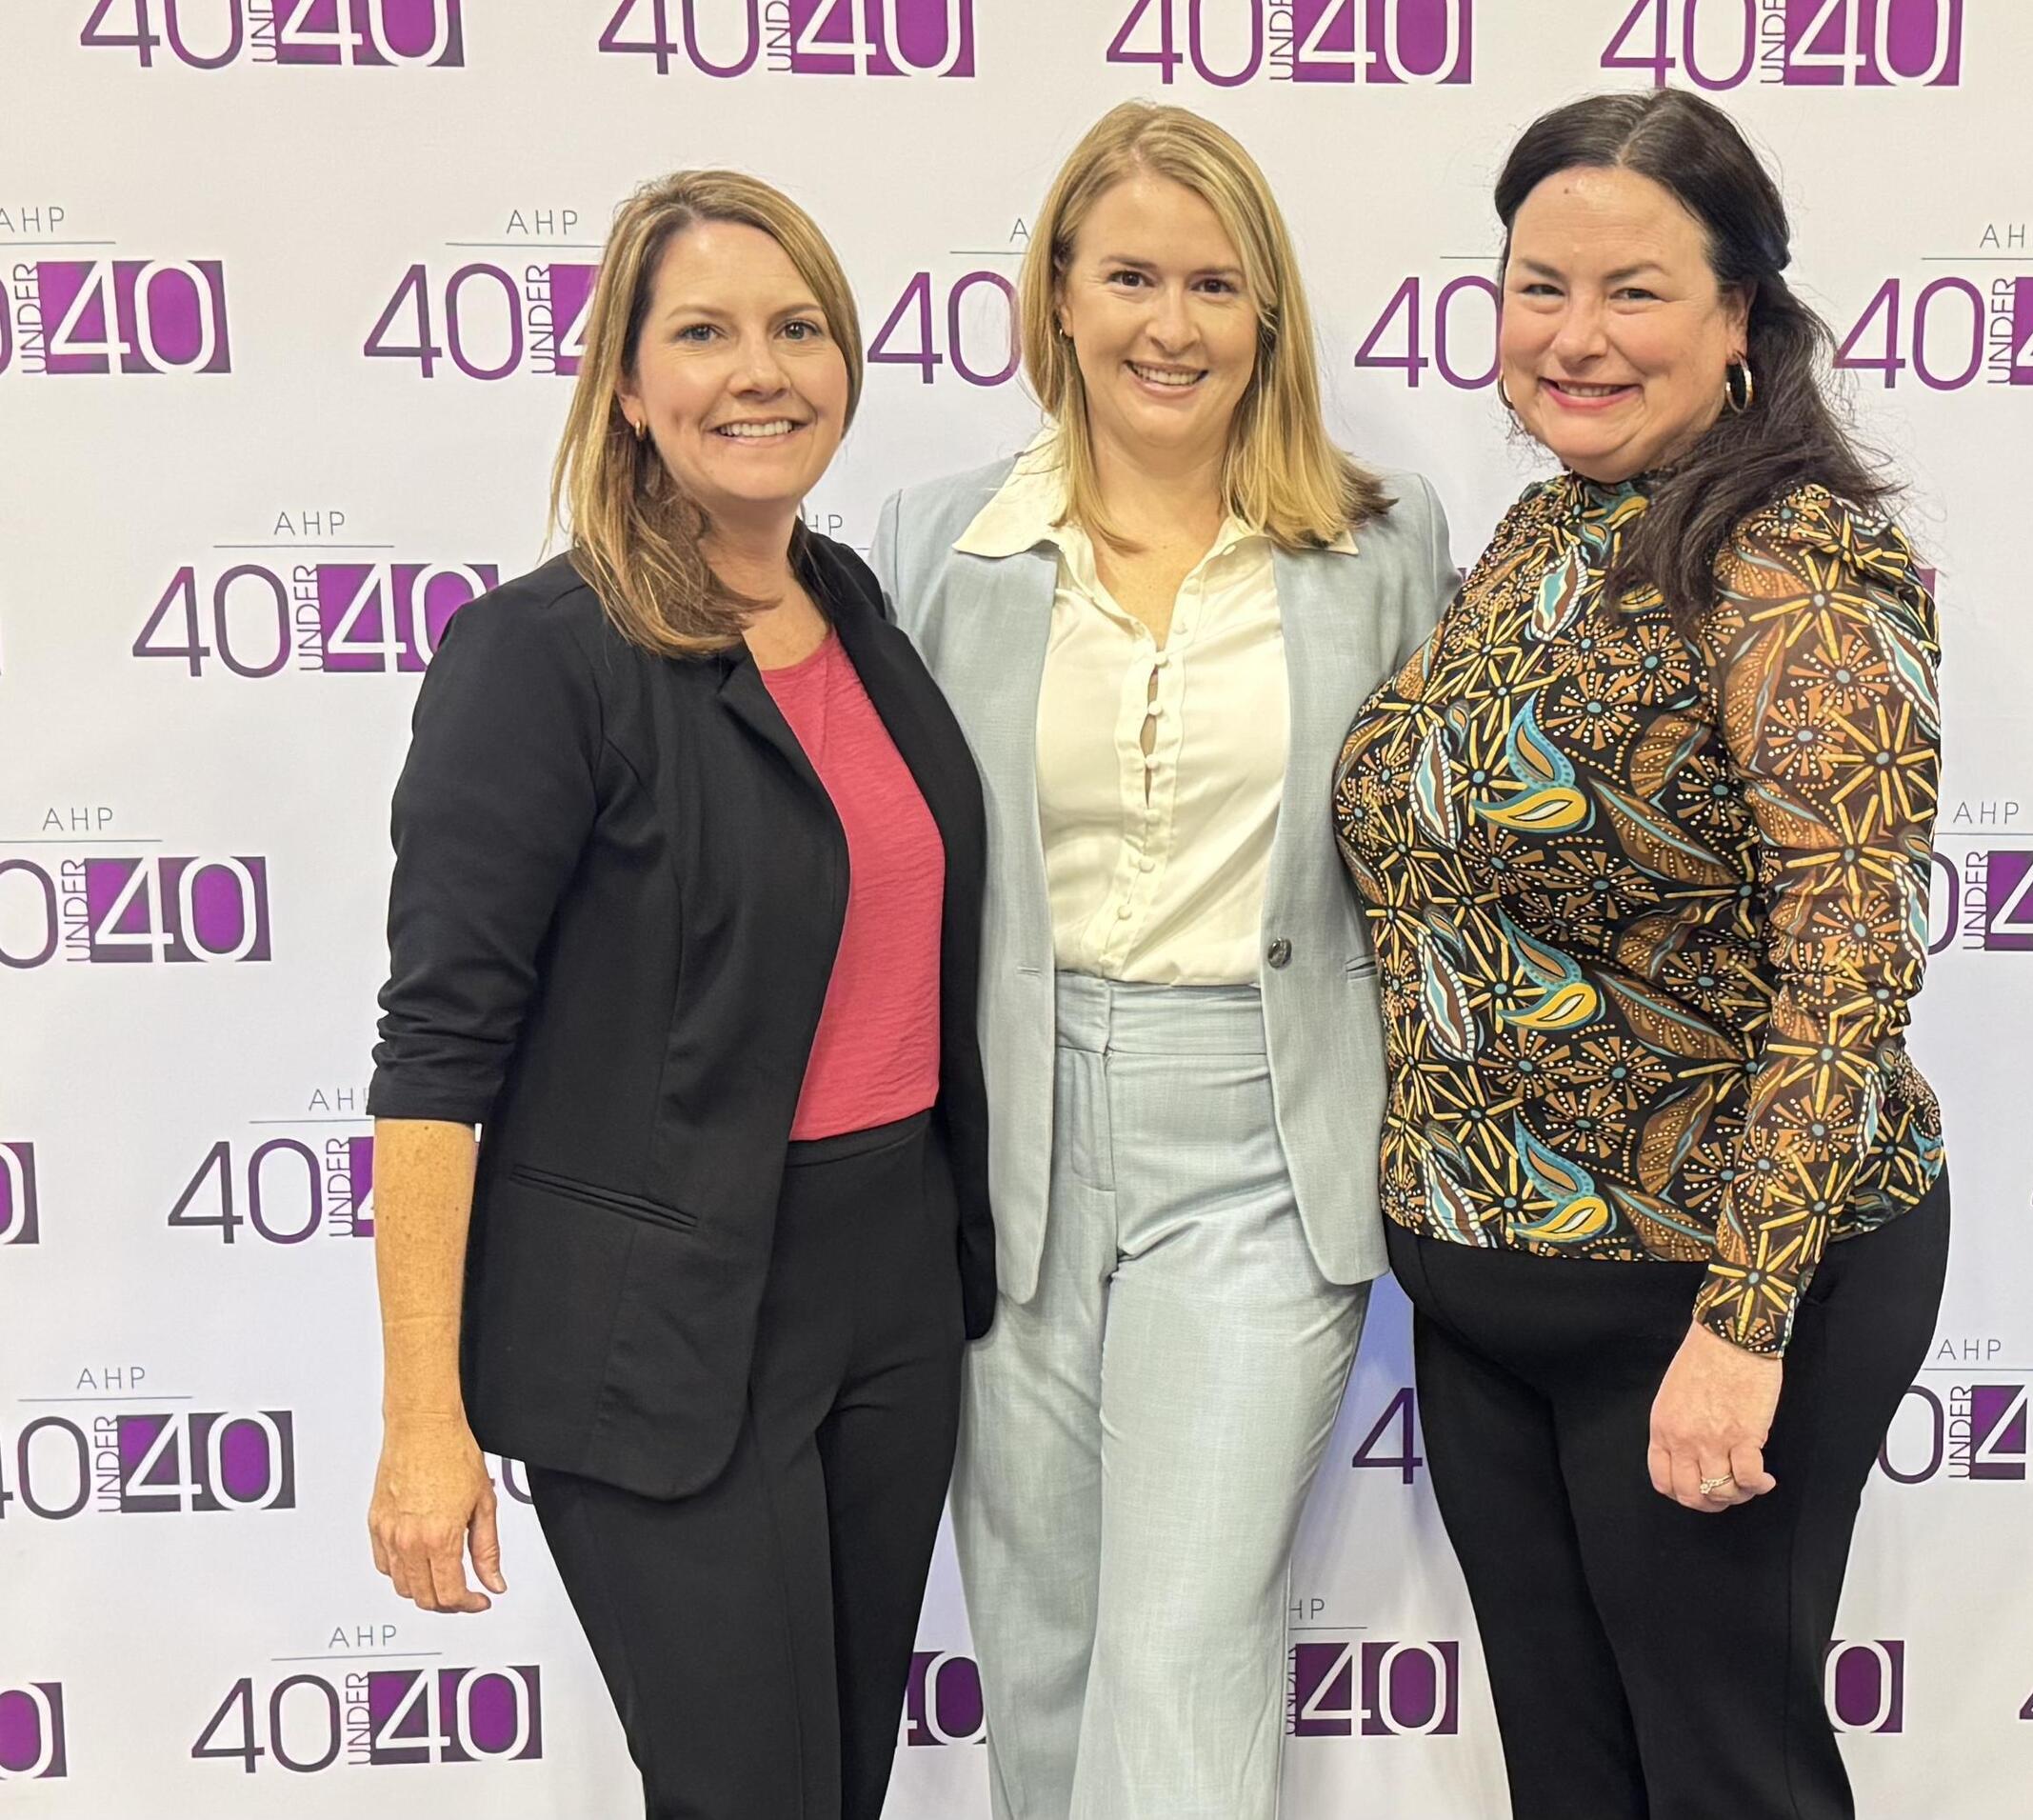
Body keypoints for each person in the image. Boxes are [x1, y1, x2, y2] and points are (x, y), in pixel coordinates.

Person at [1333, 90, 1950, 1820]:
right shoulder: (1543, 530)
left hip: (1710, 1289)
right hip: (1486, 1285)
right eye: (1540, 288)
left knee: (1724, 1769)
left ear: (1741, 315)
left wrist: (1744, 1327)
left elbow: (1848, 970)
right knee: (1571, 1770)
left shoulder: (1800, 567)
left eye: (1635, 292)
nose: (1575, 339)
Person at [362, 169, 991, 1820]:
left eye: (797, 328)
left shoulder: (848, 604)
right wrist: (421, 1420)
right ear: (629, 391)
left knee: (836, 1785)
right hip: (655, 1328)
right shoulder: (540, 657)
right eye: (702, 334)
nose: (759, 371)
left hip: (887, 1296)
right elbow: (436, 1062)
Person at [869, 101, 1457, 1820]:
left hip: (1262, 1148)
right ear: (1056, 293)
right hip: (1007, 1145)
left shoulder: (1379, 536)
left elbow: (1447, 846)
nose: (1171, 325)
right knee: (1039, 1646)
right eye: (1129, 275)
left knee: (1185, 1644)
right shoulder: (936, 542)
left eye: (1216, 283)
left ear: (1267, 314)